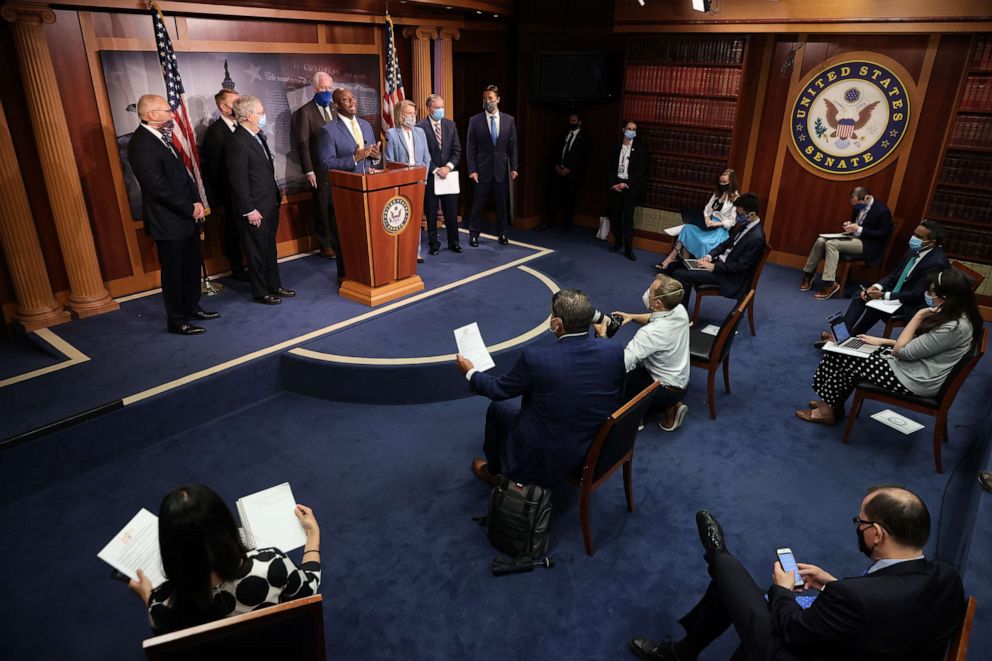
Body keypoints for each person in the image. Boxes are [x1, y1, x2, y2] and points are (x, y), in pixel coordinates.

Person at [629, 486, 966, 661]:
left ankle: (716, 555)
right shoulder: (947, 577)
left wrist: (783, 590)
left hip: (800, 653)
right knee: (733, 589)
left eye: (859, 522)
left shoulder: (854, 597)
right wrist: (831, 583)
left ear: (877, 534)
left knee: (733, 575)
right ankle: (685, 650)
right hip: (870, 644)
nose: (857, 526)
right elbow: (887, 607)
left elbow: (793, 630)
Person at [456, 288, 626, 488]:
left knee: (497, 408)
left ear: (557, 324)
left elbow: (498, 390)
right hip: (596, 439)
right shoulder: (613, 350)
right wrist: (602, 340)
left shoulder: (537, 359)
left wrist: (470, 372)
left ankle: (494, 471)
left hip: (550, 448)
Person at [126, 484, 321, 634]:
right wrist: (312, 534)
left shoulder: (161, 606)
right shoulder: (270, 565)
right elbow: (307, 594)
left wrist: (147, 596)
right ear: (227, 528)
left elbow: (168, 638)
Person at [797, 267, 980, 425]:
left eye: (932, 293)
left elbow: (901, 352)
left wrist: (918, 316)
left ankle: (827, 410)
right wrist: (882, 341)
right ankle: (831, 404)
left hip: (915, 378)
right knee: (848, 348)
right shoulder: (956, 314)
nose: (928, 296)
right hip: (915, 365)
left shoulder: (954, 326)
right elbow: (924, 346)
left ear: (946, 297)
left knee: (844, 355)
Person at [128, 94, 218, 335]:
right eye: (167, 110)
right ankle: (177, 319)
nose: (171, 113)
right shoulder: (142, 144)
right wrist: (189, 207)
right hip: (168, 220)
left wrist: (196, 201)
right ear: (150, 115)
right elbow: (157, 187)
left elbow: (183, 176)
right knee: (175, 271)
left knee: (191, 266)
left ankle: (192, 307)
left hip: (185, 216)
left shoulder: (163, 139)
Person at [817, 220, 950, 345]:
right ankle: (843, 338)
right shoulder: (914, 251)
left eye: (919, 236)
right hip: (898, 295)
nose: (913, 237)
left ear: (931, 242)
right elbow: (894, 275)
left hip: (913, 305)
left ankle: (844, 339)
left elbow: (917, 294)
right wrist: (876, 286)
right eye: (914, 233)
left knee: (874, 306)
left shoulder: (936, 263)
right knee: (862, 295)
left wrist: (883, 295)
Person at [595, 274, 691, 432]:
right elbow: (654, 317)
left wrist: (602, 337)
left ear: (658, 302)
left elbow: (620, 364)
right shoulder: (679, 309)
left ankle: (636, 419)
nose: (647, 293)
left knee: (618, 378)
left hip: (663, 390)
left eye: (651, 292)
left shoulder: (649, 333)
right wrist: (631, 317)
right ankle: (671, 409)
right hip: (681, 382)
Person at [227, 95, 294, 305]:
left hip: (269, 203)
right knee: (256, 251)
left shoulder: (257, 136)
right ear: (249, 116)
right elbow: (238, 181)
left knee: (269, 248)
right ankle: (261, 291)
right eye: (261, 112)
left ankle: (274, 284)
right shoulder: (238, 141)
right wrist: (249, 210)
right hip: (255, 208)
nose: (264, 116)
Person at [667, 192, 766, 308]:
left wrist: (714, 267)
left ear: (752, 214)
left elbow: (740, 267)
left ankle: (679, 316)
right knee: (673, 267)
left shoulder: (757, 238)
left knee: (680, 274)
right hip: (719, 264)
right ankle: (672, 310)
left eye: (740, 215)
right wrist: (709, 256)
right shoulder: (747, 225)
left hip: (727, 276)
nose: (738, 218)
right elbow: (724, 244)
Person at [800, 187, 893, 300]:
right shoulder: (857, 207)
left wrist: (860, 229)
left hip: (869, 244)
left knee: (831, 244)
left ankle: (830, 284)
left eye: (857, 204)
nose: (856, 207)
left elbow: (883, 235)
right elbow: (856, 222)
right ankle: (808, 274)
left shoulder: (882, 211)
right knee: (821, 240)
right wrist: (850, 226)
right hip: (854, 237)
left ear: (867, 198)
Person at [290, 71, 341, 263]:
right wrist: (309, 170)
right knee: (322, 207)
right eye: (323, 88)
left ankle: (338, 241)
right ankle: (325, 244)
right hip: (319, 171)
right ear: (315, 89)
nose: (327, 91)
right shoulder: (305, 112)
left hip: (338, 167)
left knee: (336, 207)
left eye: (329, 88)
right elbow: (302, 143)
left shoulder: (335, 109)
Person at [199, 88, 245, 281]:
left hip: (247, 193)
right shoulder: (215, 133)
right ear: (223, 107)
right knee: (234, 230)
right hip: (231, 195)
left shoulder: (242, 126)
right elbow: (215, 169)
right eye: (235, 103)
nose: (239, 107)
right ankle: (237, 268)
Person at [654, 169, 739, 271]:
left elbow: (732, 221)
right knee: (687, 228)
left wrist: (717, 223)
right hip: (708, 225)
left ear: (731, 183)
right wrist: (707, 218)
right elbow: (706, 209)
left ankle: (677, 262)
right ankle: (677, 260)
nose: (722, 184)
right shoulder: (717, 194)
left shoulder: (735, 198)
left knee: (704, 242)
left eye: (725, 182)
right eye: (721, 182)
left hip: (720, 230)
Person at [466, 84, 518, 247]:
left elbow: (513, 146)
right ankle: (474, 234)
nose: (487, 101)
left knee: (502, 205)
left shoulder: (509, 120)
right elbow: (470, 147)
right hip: (481, 171)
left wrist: (514, 167)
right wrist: (472, 169)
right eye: (485, 98)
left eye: (490, 98)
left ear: (498, 100)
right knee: (478, 204)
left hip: (501, 171)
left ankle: (502, 233)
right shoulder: (475, 120)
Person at [385, 99, 431, 262]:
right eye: (409, 113)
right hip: (401, 182)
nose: (412, 116)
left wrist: (423, 179)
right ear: (400, 115)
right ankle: (401, 251)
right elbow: (389, 161)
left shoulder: (420, 132)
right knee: (402, 217)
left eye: (414, 113)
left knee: (417, 217)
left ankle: (416, 251)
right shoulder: (392, 133)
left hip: (419, 181)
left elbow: (427, 158)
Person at [416, 93, 463, 255]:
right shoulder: (420, 127)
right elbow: (421, 153)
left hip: (448, 176)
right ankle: (433, 243)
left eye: (442, 107)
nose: (440, 110)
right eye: (437, 108)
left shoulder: (451, 125)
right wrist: (436, 169)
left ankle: (454, 242)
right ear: (429, 108)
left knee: (451, 211)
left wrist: (448, 167)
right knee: (431, 211)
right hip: (431, 176)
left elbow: (457, 150)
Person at [539, 112, 588, 232]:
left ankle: (566, 227)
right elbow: (555, 151)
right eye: (570, 121)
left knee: (570, 201)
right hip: (558, 172)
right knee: (553, 198)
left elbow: (584, 158)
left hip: (572, 175)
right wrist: (556, 166)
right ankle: (549, 223)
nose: (571, 123)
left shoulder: (584, 138)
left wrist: (570, 170)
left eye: (574, 121)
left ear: (579, 122)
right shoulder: (563, 134)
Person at [608, 120, 649, 261]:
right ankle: (617, 242)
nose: (631, 131)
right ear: (623, 129)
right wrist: (614, 184)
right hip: (615, 187)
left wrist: (626, 184)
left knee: (628, 220)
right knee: (615, 217)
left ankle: (628, 249)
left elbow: (640, 171)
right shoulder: (615, 147)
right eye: (629, 128)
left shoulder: (640, 148)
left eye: (634, 129)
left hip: (629, 189)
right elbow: (609, 168)